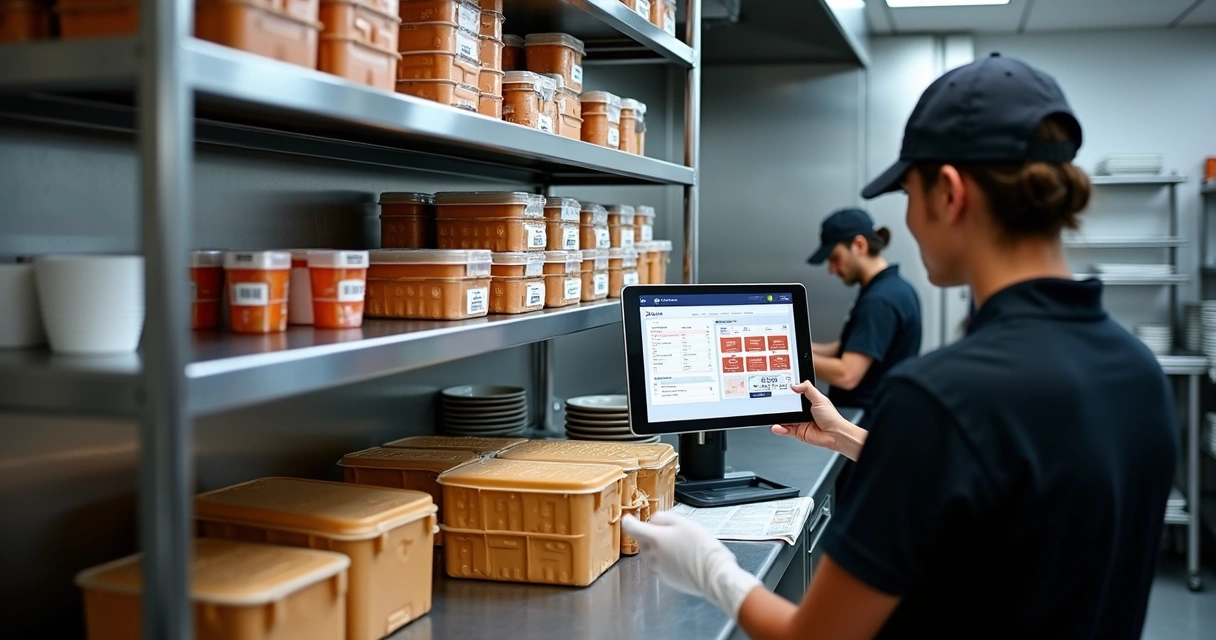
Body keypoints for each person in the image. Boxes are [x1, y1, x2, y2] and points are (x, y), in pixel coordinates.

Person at [623, 53, 1177, 639]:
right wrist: (848, 437)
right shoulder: (1139, 373)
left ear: (950, 193)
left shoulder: (940, 397)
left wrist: (709, 569)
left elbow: (817, 636)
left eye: (908, 195)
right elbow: (1005, 502)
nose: (908, 220)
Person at [807, 208, 922, 412]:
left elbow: (847, 374)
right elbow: (847, 348)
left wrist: (787, 361)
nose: (832, 269)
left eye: (835, 258)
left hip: (867, 422)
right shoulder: (893, 288)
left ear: (859, 245)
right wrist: (795, 347)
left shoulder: (879, 300)